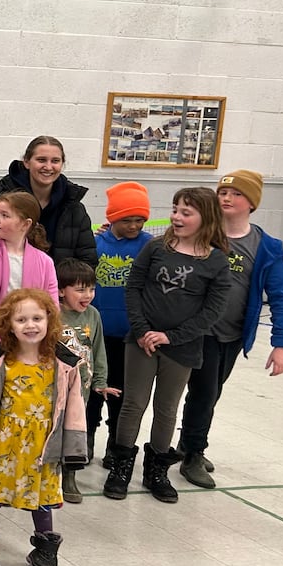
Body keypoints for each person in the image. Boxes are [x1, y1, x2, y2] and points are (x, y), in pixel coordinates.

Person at [104, 187, 231, 503]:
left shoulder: (216, 261)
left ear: (206, 218)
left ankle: (156, 471)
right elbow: (133, 288)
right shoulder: (156, 247)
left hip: (181, 347)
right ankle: (120, 468)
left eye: (186, 212)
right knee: (133, 404)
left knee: (166, 409)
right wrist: (144, 329)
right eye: (175, 209)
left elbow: (212, 311)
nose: (176, 216)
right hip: (141, 342)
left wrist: (171, 337)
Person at [0, 289, 86, 566]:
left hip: (45, 447)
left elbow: (75, 408)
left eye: (37, 318)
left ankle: (44, 552)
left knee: (42, 500)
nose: (30, 325)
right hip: (3, 446)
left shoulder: (64, 364)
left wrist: (75, 448)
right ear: (8, 324)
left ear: (49, 321)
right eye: (21, 319)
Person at [179, 170, 283, 488]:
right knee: (205, 392)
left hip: (233, 333)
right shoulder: (201, 234)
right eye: (222, 193)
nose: (227, 198)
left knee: (209, 394)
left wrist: (280, 344)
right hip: (201, 331)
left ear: (251, 203)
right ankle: (193, 454)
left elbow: (281, 297)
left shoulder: (266, 246)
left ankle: (188, 443)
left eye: (236, 194)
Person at [91, 181, 153, 468]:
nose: (133, 225)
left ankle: (116, 446)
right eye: (127, 219)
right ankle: (85, 442)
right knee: (92, 393)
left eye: (139, 220)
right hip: (96, 335)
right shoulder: (95, 244)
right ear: (112, 218)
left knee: (121, 395)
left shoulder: (150, 246)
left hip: (129, 337)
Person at [0, 136, 96, 266]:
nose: (48, 167)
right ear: (26, 162)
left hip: (60, 286)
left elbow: (87, 260)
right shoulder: (0, 207)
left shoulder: (75, 209)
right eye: (41, 160)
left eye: (55, 161)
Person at [54, 258, 114, 504]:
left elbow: (98, 349)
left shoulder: (93, 315)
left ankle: (70, 476)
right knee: (52, 431)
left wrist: (100, 380)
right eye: (80, 289)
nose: (87, 294)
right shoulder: (51, 314)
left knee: (76, 433)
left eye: (91, 288)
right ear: (60, 290)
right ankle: (45, 475)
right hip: (54, 389)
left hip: (83, 390)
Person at [0, 191, 58, 351]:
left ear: (25, 224)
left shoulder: (45, 262)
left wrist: (33, 338)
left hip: (31, 345)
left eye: (5, 215)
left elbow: (52, 308)